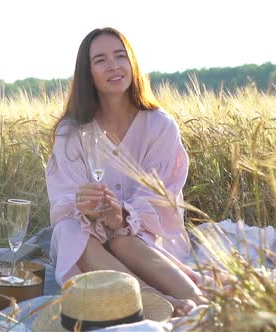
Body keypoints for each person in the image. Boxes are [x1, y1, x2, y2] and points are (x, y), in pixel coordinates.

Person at [45, 27, 209, 315]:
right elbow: (63, 200)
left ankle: (197, 299)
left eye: (121, 56)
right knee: (68, 230)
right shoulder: (71, 131)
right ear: (88, 74)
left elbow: (162, 197)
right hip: (88, 237)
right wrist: (89, 208)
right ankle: (157, 303)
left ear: (132, 64)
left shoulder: (159, 126)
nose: (114, 66)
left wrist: (121, 217)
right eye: (101, 60)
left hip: (144, 234)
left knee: (122, 239)